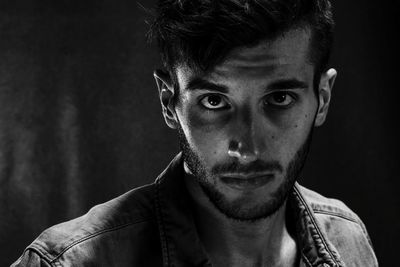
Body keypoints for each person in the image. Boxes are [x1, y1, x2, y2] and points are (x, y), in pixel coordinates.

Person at [12, 0, 378, 266]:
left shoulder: (348, 240)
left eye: (279, 98)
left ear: (323, 98)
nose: (247, 149)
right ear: (168, 101)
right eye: (215, 101)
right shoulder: (67, 263)